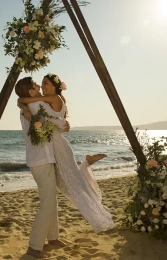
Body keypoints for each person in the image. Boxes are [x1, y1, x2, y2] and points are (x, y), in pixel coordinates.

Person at [18, 73, 115, 234]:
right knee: (71, 184)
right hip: (55, 147)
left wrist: (24, 102)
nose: (42, 86)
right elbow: (33, 107)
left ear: (55, 87)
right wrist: (24, 104)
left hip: (58, 147)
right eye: (41, 83)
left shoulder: (54, 98)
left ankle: (87, 169)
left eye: (45, 83)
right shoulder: (45, 101)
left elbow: (26, 100)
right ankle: (86, 164)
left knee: (74, 185)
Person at [15, 77, 69, 259]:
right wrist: (63, 125)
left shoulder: (31, 105)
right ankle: (34, 246)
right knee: (47, 203)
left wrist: (22, 104)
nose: (39, 85)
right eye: (36, 85)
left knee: (50, 199)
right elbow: (53, 120)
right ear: (30, 91)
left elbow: (22, 102)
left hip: (41, 159)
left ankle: (53, 237)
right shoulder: (35, 105)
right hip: (41, 160)